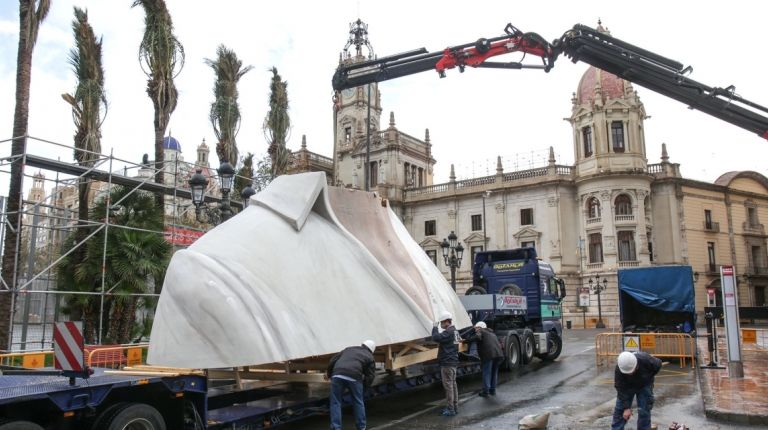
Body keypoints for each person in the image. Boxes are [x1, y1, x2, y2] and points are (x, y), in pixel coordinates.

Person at [326, 340, 376, 430]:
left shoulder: (348, 349)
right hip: (354, 376)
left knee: (335, 402)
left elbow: (332, 360)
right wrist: (363, 389)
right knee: (358, 402)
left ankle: (336, 428)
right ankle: (361, 427)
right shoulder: (370, 356)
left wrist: (329, 374)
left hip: (337, 374)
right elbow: (370, 376)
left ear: (362, 345)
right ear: (372, 350)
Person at [612, 351, 662, 430]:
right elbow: (620, 388)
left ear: (636, 364)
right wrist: (626, 408)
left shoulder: (645, 359)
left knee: (644, 410)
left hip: (644, 385)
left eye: (632, 371)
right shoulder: (620, 368)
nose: (630, 374)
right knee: (620, 412)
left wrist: (648, 379)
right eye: (628, 373)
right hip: (627, 387)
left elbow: (658, 364)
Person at [432, 311, 461, 416]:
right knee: (453, 385)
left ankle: (451, 409)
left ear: (446, 322)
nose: (441, 325)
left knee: (448, 386)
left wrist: (434, 327)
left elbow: (436, 338)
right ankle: (455, 407)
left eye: (441, 323)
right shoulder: (456, 331)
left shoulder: (448, 332)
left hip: (447, 363)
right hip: (453, 361)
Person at [465, 321, 504, 397]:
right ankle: (492, 390)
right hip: (499, 355)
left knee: (487, 372)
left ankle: (486, 391)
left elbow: (477, 337)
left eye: (476, 328)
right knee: (494, 372)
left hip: (489, 355)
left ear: (480, 327)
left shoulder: (481, 331)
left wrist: (466, 340)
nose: (475, 329)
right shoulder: (492, 333)